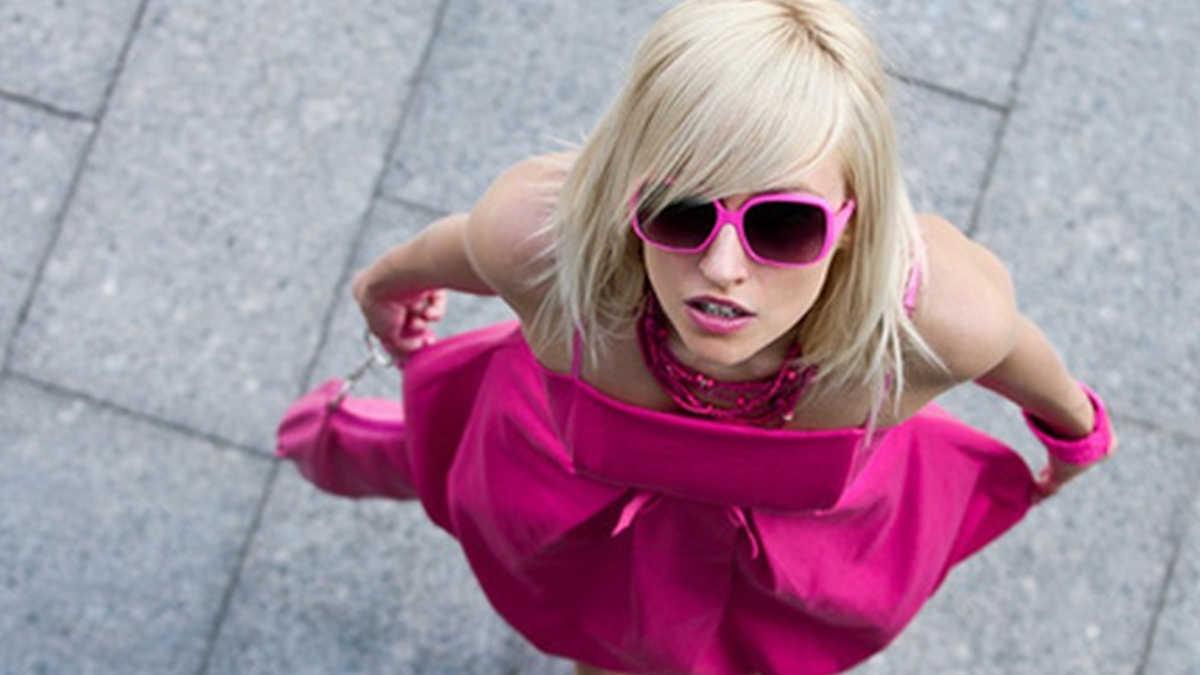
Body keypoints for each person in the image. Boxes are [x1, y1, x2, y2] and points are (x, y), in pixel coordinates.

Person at [286, 1, 1118, 673]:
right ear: (625, 191)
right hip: (596, 524)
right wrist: (381, 286)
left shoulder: (937, 317)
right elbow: (458, 248)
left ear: (855, 224)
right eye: (679, 210)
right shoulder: (542, 241)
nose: (721, 269)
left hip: (734, 552)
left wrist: (1076, 430)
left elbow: (1013, 353)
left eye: (783, 225)